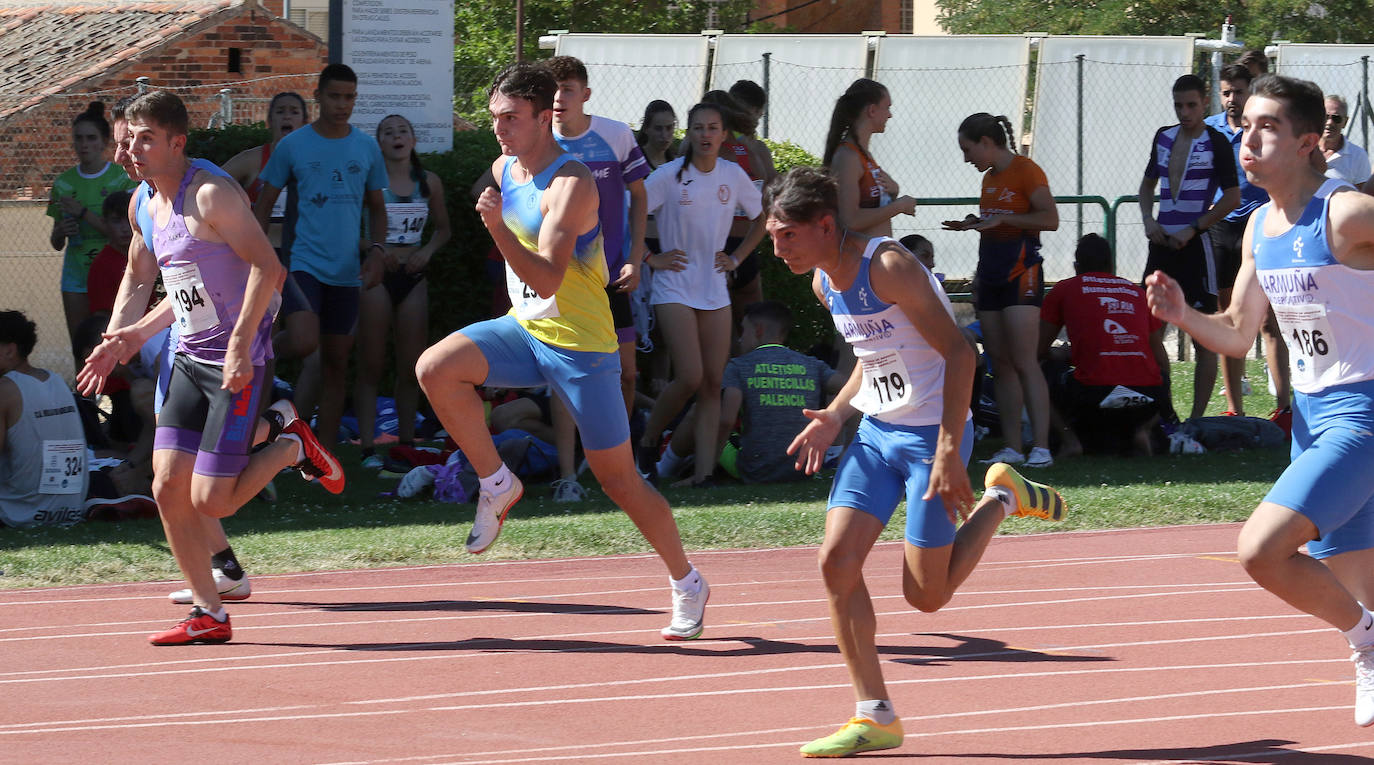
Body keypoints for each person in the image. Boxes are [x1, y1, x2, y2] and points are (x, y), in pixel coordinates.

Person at [765, 166, 1065, 758]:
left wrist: (951, 449)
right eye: (773, 235)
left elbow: (960, 353)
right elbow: (873, 355)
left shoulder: (888, 267)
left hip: (931, 439)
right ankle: (874, 714)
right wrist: (835, 413)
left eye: (786, 236)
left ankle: (1002, 496)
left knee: (926, 597)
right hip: (877, 436)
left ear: (825, 225)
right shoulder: (825, 282)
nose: (776, 250)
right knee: (835, 563)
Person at [414, 62, 710, 640]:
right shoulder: (504, 167)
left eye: (511, 119)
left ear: (545, 117)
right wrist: (501, 223)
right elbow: (533, 292)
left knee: (618, 480)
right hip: (525, 330)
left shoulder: (571, 184)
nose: (498, 129)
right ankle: (497, 482)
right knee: (435, 369)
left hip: (582, 346)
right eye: (495, 117)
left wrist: (497, 228)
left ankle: (687, 581)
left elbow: (548, 278)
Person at [1145, 73, 1374, 728]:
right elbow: (1240, 332)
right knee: (1359, 586)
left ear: (1307, 142)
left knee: (1262, 550)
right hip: (1311, 417)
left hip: (1362, 416)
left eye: (1267, 125)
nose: (1248, 137)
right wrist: (1187, 314)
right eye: (1243, 124)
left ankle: (1367, 640)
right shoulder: (1260, 230)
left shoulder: (1347, 213)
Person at [92, 91, 343, 645]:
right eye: (125, 139)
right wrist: (121, 336)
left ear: (177, 143)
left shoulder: (211, 195)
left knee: (212, 499)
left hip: (239, 361)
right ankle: (210, 610)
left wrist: (239, 344)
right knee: (167, 487)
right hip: (188, 357)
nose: (129, 150)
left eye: (144, 139)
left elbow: (269, 268)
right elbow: (140, 277)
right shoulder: (143, 202)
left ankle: (288, 446)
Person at [254, 65, 389, 449]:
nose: (342, 104)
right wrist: (257, 257)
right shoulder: (294, 145)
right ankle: (257, 349)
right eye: (334, 96)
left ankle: (320, 457)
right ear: (318, 97)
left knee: (335, 364)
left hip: (346, 273)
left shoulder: (366, 147)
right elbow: (263, 205)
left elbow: (378, 209)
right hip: (301, 262)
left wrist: (377, 251)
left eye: (349, 97)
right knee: (302, 341)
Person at [636, 101, 765, 487]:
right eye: (698, 128)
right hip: (673, 284)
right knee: (690, 376)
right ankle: (646, 440)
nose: (705, 135)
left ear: (724, 134)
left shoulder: (733, 174)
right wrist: (649, 258)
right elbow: (629, 211)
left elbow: (763, 218)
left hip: (714, 289)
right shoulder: (668, 175)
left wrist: (738, 256)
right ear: (688, 134)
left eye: (713, 128)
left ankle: (703, 474)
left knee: (713, 383)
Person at [544, 55, 650, 502]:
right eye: (552, 89)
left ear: (585, 94)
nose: (558, 98)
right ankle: (566, 476)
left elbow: (640, 196)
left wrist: (635, 258)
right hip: (562, 279)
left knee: (626, 374)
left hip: (611, 277)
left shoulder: (615, 134)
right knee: (564, 378)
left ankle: (613, 465)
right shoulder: (537, 141)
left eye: (567, 88)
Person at [944, 112, 1059, 467]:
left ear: (987, 143)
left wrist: (1006, 220)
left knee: (1025, 360)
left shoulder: (1027, 171)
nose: (967, 159)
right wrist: (974, 224)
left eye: (969, 150)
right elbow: (996, 220)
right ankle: (1012, 446)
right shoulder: (989, 179)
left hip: (1021, 272)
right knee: (1001, 363)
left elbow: (1050, 219)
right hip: (991, 274)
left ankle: (1040, 446)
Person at [1139, 74, 1240, 423]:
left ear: (1204, 103)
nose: (1185, 112)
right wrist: (1148, 220)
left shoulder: (1217, 142)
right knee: (1150, 329)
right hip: (1161, 244)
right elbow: (1146, 185)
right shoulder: (1163, 137)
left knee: (1203, 335)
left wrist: (1195, 228)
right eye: (1179, 105)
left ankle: (1196, 419)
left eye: (1191, 105)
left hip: (1197, 246)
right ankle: (1165, 410)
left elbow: (1232, 197)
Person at [657, 300, 844, 483]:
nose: (740, 338)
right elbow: (850, 388)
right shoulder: (812, 365)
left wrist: (707, 467)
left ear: (759, 330)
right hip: (804, 469)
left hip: (754, 470)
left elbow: (726, 421)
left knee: (700, 412)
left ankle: (663, 469)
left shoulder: (739, 366)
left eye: (743, 331)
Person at [355, 114, 450, 469]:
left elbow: (443, 230)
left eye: (403, 131)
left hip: (414, 278)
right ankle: (367, 449)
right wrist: (378, 251)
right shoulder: (369, 182)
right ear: (379, 143)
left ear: (413, 139)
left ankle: (406, 445)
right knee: (372, 362)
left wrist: (425, 251)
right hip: (376, 276)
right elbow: (350, 229)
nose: (396, 136)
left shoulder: (429, 182)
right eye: (388, 132)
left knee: (412, 365)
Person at [1039, 234, 1168, 456]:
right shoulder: (1136, 292)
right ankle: (1144, 429)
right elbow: (1161, 359)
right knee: (1162, 374)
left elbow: (1037, 349)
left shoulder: (1064, 289)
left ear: (1076, 266)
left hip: (1092, 394)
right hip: (1148, 396)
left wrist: (1063, 354)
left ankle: (1069, 440)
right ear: (1111, 265)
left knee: (1037, 371)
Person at [1205, 64, 1273, 419]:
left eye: (1239, 92)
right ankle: (1235, 408)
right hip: (1221, 227)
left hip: (1258, 224)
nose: (1233, 99)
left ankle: (1285, 406)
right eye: (1227, 92)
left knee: (1270, 319)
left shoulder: (1261, 128)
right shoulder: (1210, 129)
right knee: (1227, 314)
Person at [47, 102, 137, 355]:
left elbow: (125, 233)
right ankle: (84, 395)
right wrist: (61, 231)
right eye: (78, 139)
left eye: (90, 138)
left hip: (113, 270)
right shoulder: (63, 183)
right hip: (75, 275)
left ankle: (114, 393)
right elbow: (55, 243)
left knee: (113, 339)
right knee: (81, 345)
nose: (84, 145)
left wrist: (83, 213)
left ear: (104, 141)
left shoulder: (121, 177)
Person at [0, 311, 88, 528]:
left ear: (10, 350)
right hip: (70, 509)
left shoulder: (5, 389)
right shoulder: (56, 380)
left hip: (20, 512)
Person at [821, 79, 916, 237]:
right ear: (872, 110)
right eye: (887, 108)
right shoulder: (847, 157)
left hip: (875, 255)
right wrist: (899, 207)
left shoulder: (864, 154)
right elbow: (849, 220)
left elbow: (873, 204)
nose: (890, 115)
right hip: (860, 258)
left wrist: (893, 190)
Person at [223, 91, 307, 256]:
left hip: (304, 255)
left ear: (305, 122)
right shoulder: (251, 159)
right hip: (262, 253)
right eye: (280, 111)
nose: (287, 117)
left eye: (294, 112)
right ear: (270, 120)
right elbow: (209, 184)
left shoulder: (316, 162)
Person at [1321, 95, 1371, 187]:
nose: (1330, 122)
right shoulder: (1303, 149)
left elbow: (1363, 195)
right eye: (1326, 116)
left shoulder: (1358, 156)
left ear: (1345, 122)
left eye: (1336, 118)